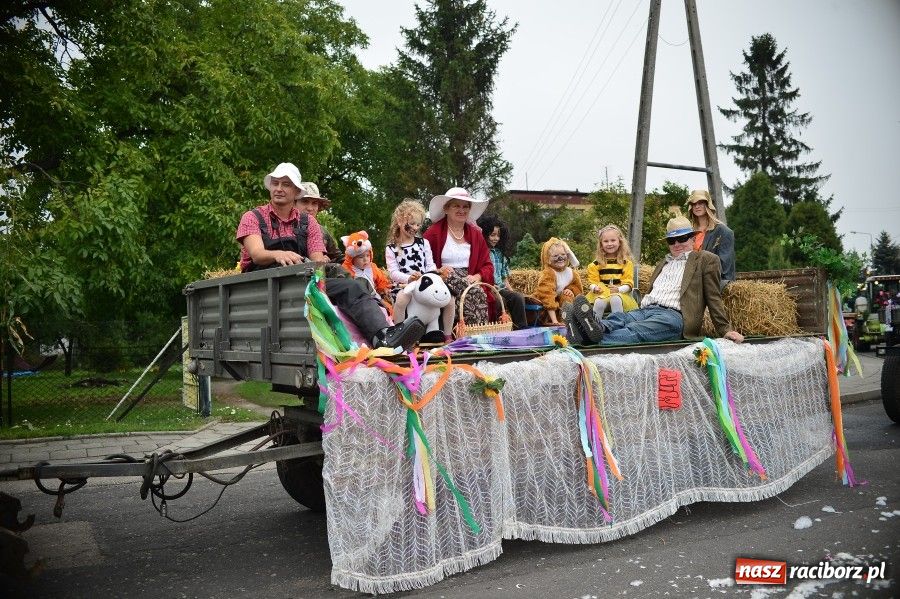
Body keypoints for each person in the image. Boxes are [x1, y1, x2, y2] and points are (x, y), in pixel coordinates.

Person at [236, 162, 423, 350]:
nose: (278, 188)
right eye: (275, 183)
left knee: (353, 286)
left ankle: (382, 336)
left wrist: (321, 266)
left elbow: (317, 260)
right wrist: (279, 254)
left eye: (285, 184)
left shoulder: (308, 222)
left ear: (296, 191)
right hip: (263, 288)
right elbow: (257, 255)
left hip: (301, 284)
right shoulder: (252, 217)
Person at [565, 215, 744, 346]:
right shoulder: (663, 262)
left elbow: (713, 296)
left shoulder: (705, 259)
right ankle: (590, 327)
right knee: (619, 318)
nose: (677, 244)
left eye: (682, 239)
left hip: (673, 316)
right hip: (646, 309)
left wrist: (725, 329)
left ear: (692, 238)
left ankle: (584, 337)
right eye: (672, 240)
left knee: (637, 330)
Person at [423, 187, 494, 337]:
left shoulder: (475, 234)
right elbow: (424, 261)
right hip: (442, 278)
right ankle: (474, 337)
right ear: (446, 208)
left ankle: (477, 336)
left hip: (470, 278)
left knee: (476, 291)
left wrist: (477, 277)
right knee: (475, 292)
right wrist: (438, 270)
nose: (462, 210)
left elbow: (488, 265)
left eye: (465, 206)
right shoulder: (432, 233)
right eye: (456, 205)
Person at [385, 199, 451, 329]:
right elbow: (393, 273)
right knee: (401, 299)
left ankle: (448, 334)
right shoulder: (391, 248)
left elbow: (430, 265)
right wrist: (408, 278)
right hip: (404, 285)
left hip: (426, 283)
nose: (415, 228)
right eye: (412, 223)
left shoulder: (423, 243)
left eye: (418, 224)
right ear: (399, 221)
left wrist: (435, 274)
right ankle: (399, 332)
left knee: (450, 299)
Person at [477, 215, 528, 330]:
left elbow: (504, 278)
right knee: (499, 301)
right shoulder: (481, 252)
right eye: (492, 235)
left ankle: (521, 328)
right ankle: (498, 330)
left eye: (498, 235)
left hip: (500, 288)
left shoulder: (500, 254)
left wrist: (511, 292)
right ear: (484, 234)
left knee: (518, 297)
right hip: (488, 288)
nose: (496, 238)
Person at [585, 224, 638, 320]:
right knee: (599, 302)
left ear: (620, 242)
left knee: (615, 299)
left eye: (613, 240)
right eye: (606, 241)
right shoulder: (596, 264)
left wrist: (619, 289)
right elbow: (592, 281)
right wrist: (594, 288)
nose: (609, 244)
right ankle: (595, 327)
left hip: (620, 294)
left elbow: (628, 283)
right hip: (602, 294)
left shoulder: (626, 263)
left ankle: (618, 325)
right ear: (601, 244)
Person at [687, 189, 736, 288]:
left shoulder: (723, 231)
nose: (697, 206)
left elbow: (725, 268)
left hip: (712, 285)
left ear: (708, 205)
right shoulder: (689, 233)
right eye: (693, 204)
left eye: (701, 202)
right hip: (689, 282)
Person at [532, 237, 583, 325]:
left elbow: (579, 291)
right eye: (555, 256)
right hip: (546, 311)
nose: (560, 258)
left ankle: (569, 321)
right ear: (547, 258)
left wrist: (571, 290)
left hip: (562, 307)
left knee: (567, 296)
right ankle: (557, 321)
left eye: (563, 254)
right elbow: (547, 297)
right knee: (547, 300)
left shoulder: (572, 273)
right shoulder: (548, 273)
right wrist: (554, 321)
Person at [296, 181, 342, 263]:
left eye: (314, 203)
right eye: (305, 201)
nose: (310, 208)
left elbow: (339, 258)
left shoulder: (323, 231)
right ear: (294, 203)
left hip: (319, 274)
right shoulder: (284, 226)